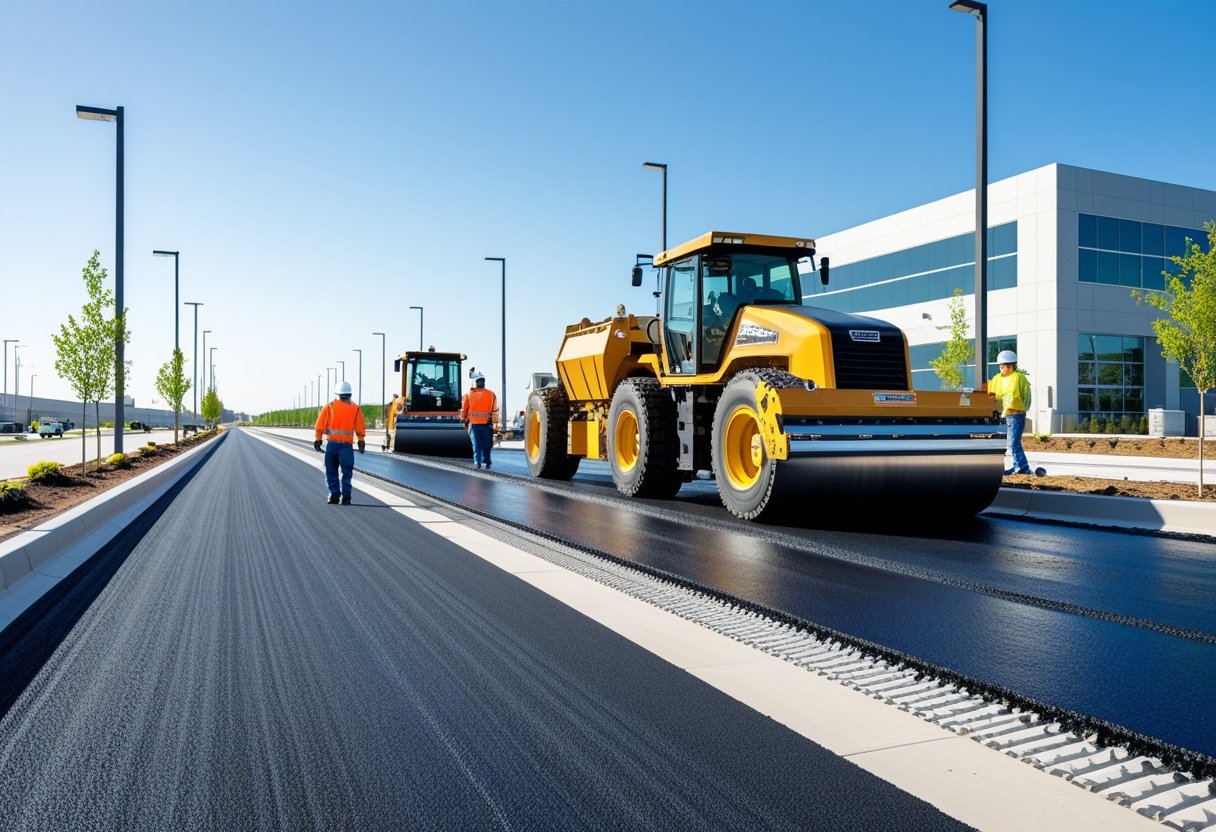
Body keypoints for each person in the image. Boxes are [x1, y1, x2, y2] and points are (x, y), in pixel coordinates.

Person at [314, 381, 367, 504]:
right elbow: (360, 427)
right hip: (346, 447)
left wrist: (318, 439)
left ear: (337, 394)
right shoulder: (355, 408)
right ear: (350, 394)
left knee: (331, 471)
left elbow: (319, 425)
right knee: (347, 472)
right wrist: (361, 441)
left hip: (332, 445)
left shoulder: (329, 407)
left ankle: (334, 495)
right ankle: (346, 497)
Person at [989, 350, 1033, 476]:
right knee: (1012, 442)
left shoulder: (1018, 378)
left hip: (1017, 414)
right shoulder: (998, 379)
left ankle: (1022, 467)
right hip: (1006, 415)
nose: (1002, 369)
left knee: (1013, 442)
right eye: (1001, 366)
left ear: (1012, 366)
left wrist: (1023, 409)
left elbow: (1027, 396)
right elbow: (992, 394)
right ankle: (1018, 466)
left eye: (1005, 366)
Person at [461, 372, 499, 469]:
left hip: (475, 425)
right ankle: (487, 461)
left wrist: (463, 419)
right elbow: (495, 410)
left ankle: (478, 462)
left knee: (477, 444)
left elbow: (464, 410)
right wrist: (495, 424)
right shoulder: (491, 394)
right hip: (487, 424)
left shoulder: (468, 395)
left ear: (474, 382)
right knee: (486, 444)